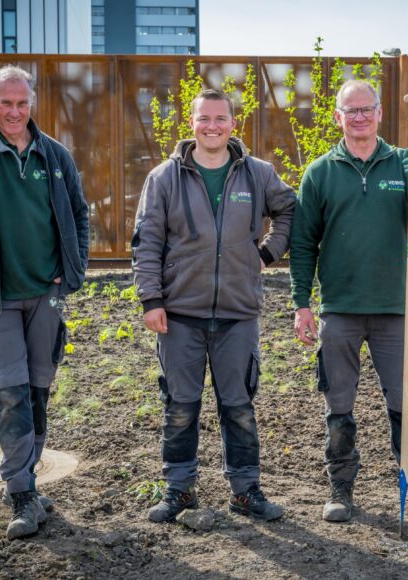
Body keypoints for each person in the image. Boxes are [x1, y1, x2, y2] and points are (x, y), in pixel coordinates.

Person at [290, 79, 408, 525]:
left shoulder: (403, 164)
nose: (360, 117)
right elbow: (304, 243)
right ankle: (341, 488)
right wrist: (301, 302)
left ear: (380, 113)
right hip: (340, 309)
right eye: (352, 110)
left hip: (393, 308)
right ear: (338, 116)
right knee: (338, 405)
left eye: (367, 109)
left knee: (407, 404)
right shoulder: (320, 173)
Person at [132, 89, 295, 523]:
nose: (213, 126)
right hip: (179, 314)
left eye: (220, 118)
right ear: (192, 123)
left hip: (238, 313)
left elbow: (290, 212)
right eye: (205, 118)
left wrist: (265, 254)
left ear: (232, 123)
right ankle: (179, 490)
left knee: (238, 406)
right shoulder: (164, 178)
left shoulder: (257, 174)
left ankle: (245, 491)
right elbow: (146, 242)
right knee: (181, 406)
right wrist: (151, 299)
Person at [0, 65, 89, 540]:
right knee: (10, 390)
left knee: (37, 389)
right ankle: (19, 492)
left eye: (22, 103)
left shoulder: (53, 154)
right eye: (5, 103)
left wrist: (71, 268)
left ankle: (28, 481)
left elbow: (78, 212)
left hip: (46, 294)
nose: (14, 112)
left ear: (31, 103)